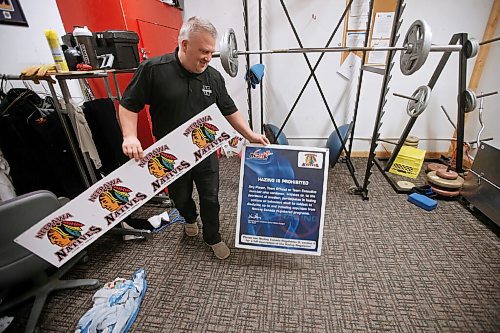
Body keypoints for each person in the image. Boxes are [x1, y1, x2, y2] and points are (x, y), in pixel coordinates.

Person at [119, 16, 269, 259]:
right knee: (180, 197)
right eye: (203, 51)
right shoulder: (153, 70)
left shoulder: (213, 77)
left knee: (211, 198)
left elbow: (229, 109)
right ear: (185, 45)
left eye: (211, 52)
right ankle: (189, 217)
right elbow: (128, 105)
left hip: (206, 151)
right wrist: (130, 136)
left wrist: (250, 134)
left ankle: (213, 237)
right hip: (169, 156)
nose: (208, 58)